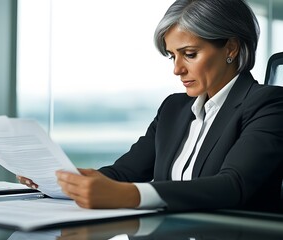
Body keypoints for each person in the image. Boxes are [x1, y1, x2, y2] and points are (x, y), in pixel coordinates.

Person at [18, 0, 283, 212]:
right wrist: (68, 180)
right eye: (172, 56)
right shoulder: (173, 109)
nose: (177, 69)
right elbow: (125, 172)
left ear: (232, 48)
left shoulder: (268, 104)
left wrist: (131, 195)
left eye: (190, 54)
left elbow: (232, 186)